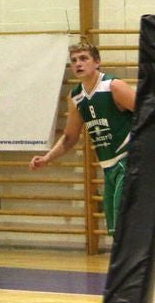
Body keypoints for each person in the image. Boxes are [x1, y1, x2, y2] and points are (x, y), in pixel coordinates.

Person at [30, 41, 134, 235]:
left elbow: (147, 115)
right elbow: (70, 137)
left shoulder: (113, 86)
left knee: (125, 225)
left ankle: (131, 265)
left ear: (97, 62)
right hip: (109, 166)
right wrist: (47, 158)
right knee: (116, 229)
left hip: (129, 161)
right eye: (74, 60)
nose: (78, 63)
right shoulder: (76, 97)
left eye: (84, 58)